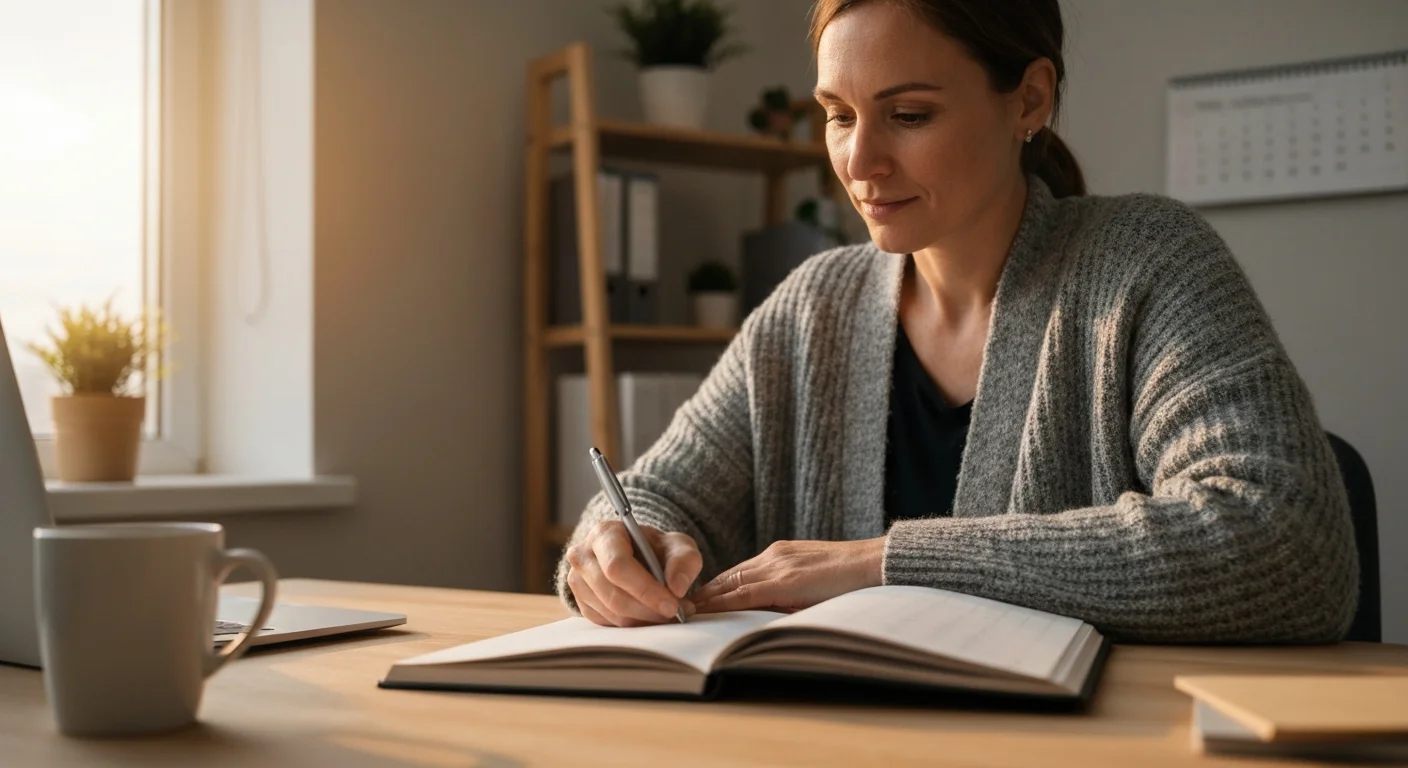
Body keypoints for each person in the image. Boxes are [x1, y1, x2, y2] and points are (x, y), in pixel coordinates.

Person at [556, 0, 1359, 642]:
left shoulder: (1147, 265)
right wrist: (616, 547)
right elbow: (656, 497)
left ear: (1030, 100)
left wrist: (886, 563)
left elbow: (1289, 545)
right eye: (838, 115)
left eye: (907, 116)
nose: (860, 163)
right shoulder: (811, 309)